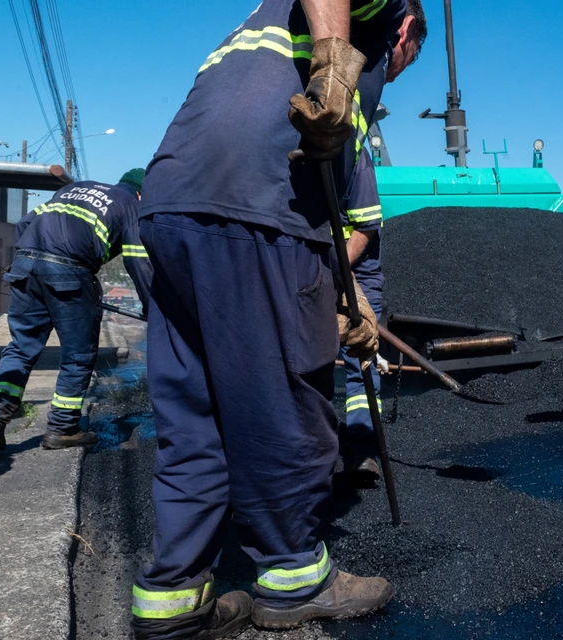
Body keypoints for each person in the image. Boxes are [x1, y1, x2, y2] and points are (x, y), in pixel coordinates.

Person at [128, 1, 425, 637]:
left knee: (196, 410)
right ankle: (294, 578)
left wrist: (348, 296)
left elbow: (346, 214)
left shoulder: (258, 30)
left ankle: (173, 602)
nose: (393, 75)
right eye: (404, 63)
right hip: (255, 200)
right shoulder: (376, 21)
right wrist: (337, 70)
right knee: (282, 398)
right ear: (406, 32)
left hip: (170, 201)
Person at [0, 172, 151, 451]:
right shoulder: (131, 205)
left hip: (25, 267)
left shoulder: (76, 188)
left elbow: (24, 223)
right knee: (77, 355)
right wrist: (153, 306)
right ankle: (62, 428)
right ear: (142, 193)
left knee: (21, 348)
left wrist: (28, 259)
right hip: (69, 273)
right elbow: (138, 261)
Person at [340, 47, 423, 487]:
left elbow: (366, 227)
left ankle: (362, 451)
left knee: (360, 364)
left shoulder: (356, 154)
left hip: (355, 272)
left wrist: (333, 275)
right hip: (325, 270)